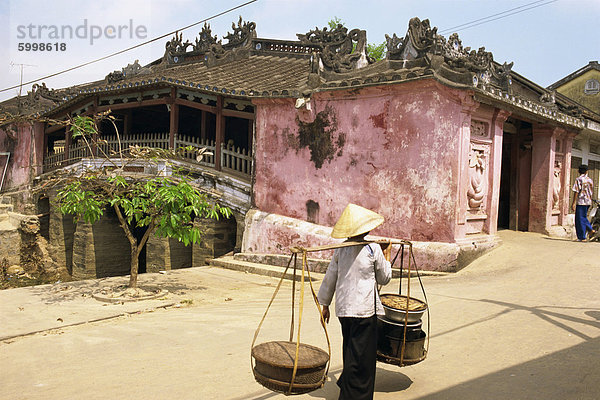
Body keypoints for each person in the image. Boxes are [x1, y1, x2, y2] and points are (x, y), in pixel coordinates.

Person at [317, 203, 392, 400]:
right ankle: (354, 395)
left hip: (344, 311)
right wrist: (387, 254)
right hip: (364, 311)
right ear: (365, 229)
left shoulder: (341, 249)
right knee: (363, 359)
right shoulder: (372, 248)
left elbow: (330, 277)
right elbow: (384, 278)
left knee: (351, 350)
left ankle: (346, 384)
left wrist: (324, 305)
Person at [571, 164, 595, 241]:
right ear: (586, 171)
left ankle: (582, 237)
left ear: (578, 171)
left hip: (581, 201)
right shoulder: (590, 180)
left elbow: (576, 191)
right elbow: (591, 191)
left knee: (579, 219)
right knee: (583, 217)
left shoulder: (579, 179)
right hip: (588, 201)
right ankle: (590, 230)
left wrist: (574, 202)